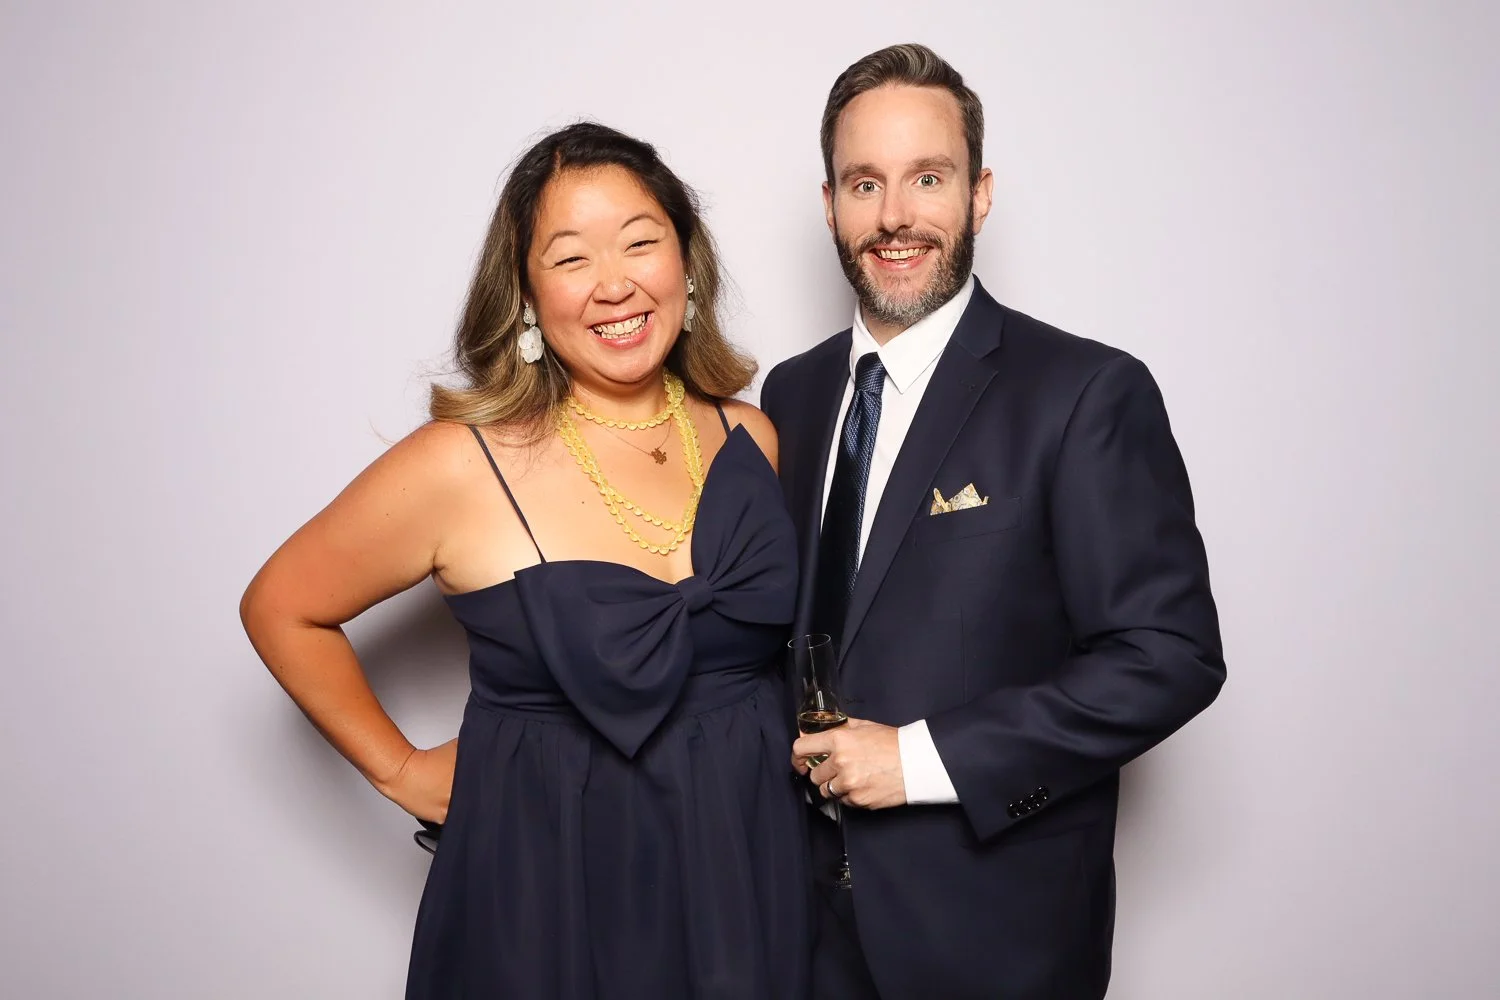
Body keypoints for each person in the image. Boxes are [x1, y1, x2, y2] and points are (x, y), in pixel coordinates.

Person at [240, 122, 809, 999]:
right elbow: (281, 605)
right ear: (527, 293)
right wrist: (400, 769)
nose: (614, 283)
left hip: (747, 862)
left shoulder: (752, 437)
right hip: (552, 885)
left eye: (641, 242)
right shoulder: (459, 463)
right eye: (571, 258)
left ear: (686, 263)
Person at [760, 44, 1226, 999]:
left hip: (994, 941)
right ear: (830, 205)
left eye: (928, 178)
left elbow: (1168, 656)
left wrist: (918, 760)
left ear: (979, 195)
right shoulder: (791, 395)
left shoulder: (1085, 392)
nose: (895, 216)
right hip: (800, 933)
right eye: (865, 183)